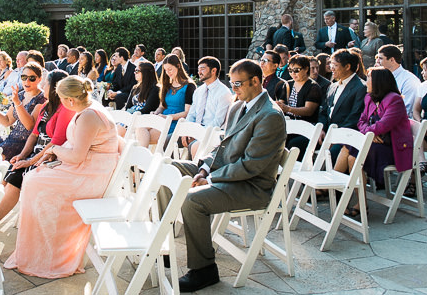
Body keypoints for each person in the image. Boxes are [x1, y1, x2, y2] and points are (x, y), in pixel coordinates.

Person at [158, 59, 287, 293]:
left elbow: (251, 166)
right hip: (223, 171)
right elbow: (222, 146)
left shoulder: (270, 116)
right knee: (167, 168)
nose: (233, 89)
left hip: (251, 186)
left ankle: (204, 270)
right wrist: (205, 169)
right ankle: (163, 244)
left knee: (193, 200)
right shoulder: (239, 106)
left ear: (255, 81)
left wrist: (211, 179)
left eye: (238, 84)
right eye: (232, 83)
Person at [4, 76, 121, 278]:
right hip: (86, 167)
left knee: (33, 183)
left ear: (70, 100)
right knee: (34, 179)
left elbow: (76, 156)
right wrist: (52, 154)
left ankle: (49, 254)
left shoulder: (88, 116)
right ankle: (41, 247)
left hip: (90, 174)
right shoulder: (86, 109)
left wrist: (56, 150)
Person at [0, 70, 74, 223]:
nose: (43, 85)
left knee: (15, 179)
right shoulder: (45, 107)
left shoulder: (65, 109)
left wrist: (29, 162)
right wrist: (22, 156)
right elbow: (34, 135)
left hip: (49, 157)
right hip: (34, 154)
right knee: (11, 171)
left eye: (46, 83)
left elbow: (55, 142)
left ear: (55, 88)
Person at [335, 67, 412, 216]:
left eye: (369, 78)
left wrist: (368, 132)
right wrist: (369, 133)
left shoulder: (394, 99)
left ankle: (352, 199)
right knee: (347, 148)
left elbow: (384, 125)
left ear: (378, 81)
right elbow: (361, 121)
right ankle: (339, 192)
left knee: (353, 157)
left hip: (390, 147)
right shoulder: (369, 97)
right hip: (373, 142)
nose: (366, 81)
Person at [0, 62, 47, 160]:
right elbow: (7, 121)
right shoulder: (21, 95)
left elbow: (29, 125)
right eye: (24, 77)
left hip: (25, 144)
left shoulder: (42, 98)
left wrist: (18, 103)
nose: (27, 81)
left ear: (40, 79)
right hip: (11, 138)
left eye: (32, 78)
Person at [137, 53, 196, 148]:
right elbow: (162, 106)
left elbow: (187, 112)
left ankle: (143, 160)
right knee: (140, 127)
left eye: (170, 69)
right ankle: (142, 160)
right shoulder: (167, 85)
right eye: (165, 70)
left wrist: (167, 117)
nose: (168, 73)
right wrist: (156, 112)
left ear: (178, 66)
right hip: (162, 118)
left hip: (176, 122)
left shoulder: (189, 86)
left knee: (143, 138)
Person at [319, 49, 367, 162]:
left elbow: (354, 117)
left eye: (335, 65)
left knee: (331, 156)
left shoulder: (361, 87)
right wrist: (321, 128)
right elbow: (324, 111)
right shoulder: (332, 86)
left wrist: (334, 137)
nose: (331, 68)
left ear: (347, 66)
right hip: (327, 134)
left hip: (346, 137)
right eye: (331, 64)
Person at [275, 55, 323, 157]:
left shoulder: (313, 87)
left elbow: (309, 110)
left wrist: (288, 108)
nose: (293, 73)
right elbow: (281, 103)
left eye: (296, 70)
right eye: (290, 70)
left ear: (306, 69)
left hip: (307, 128)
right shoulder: (288, 84)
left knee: (294, 144)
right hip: (289, 126)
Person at [375, 44, 420, 117]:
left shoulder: (409, 81)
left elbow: (406, 110)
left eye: (380, 58)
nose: (377, 61)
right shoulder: (380, 78)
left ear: (392, 60)